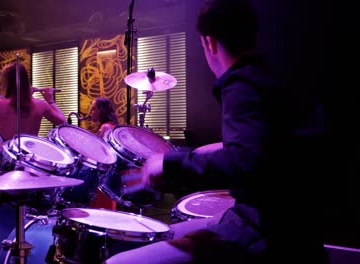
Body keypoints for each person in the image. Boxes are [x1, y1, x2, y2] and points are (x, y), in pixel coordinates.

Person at [105, 0, 327, 263]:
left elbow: (244, 161)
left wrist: (169, 164)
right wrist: (219, 147)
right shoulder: (273, 78)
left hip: (262, 231)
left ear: (208, 43)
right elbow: (275, 147)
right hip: (297, 225)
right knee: (157, 235)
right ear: (253, 36)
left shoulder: (241, 83)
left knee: (118, 260)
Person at [0, 62, 67, 263]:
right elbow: (62, 122)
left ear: (6, 82)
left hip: (5, 167)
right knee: (28, 217)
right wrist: (49, 99)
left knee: (5, 218)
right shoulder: (40, 106)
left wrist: (22, 94)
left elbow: (8, 102)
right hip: (32, 168)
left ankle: (3, 257)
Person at [0, 62, 66, 141]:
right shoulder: (41, 104)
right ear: (26, 80)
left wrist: (26, 94)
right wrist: (50, 101)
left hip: (7, 150)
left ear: (5, 81)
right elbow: (62, 122)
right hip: (31, 150)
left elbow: (12, 102)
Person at [87, 97, 119, 210]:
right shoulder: (110, 126)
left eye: (94, 109)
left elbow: (100, 154)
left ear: (101, 111)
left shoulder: (106, 127)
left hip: (102, 175)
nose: (91, 113)